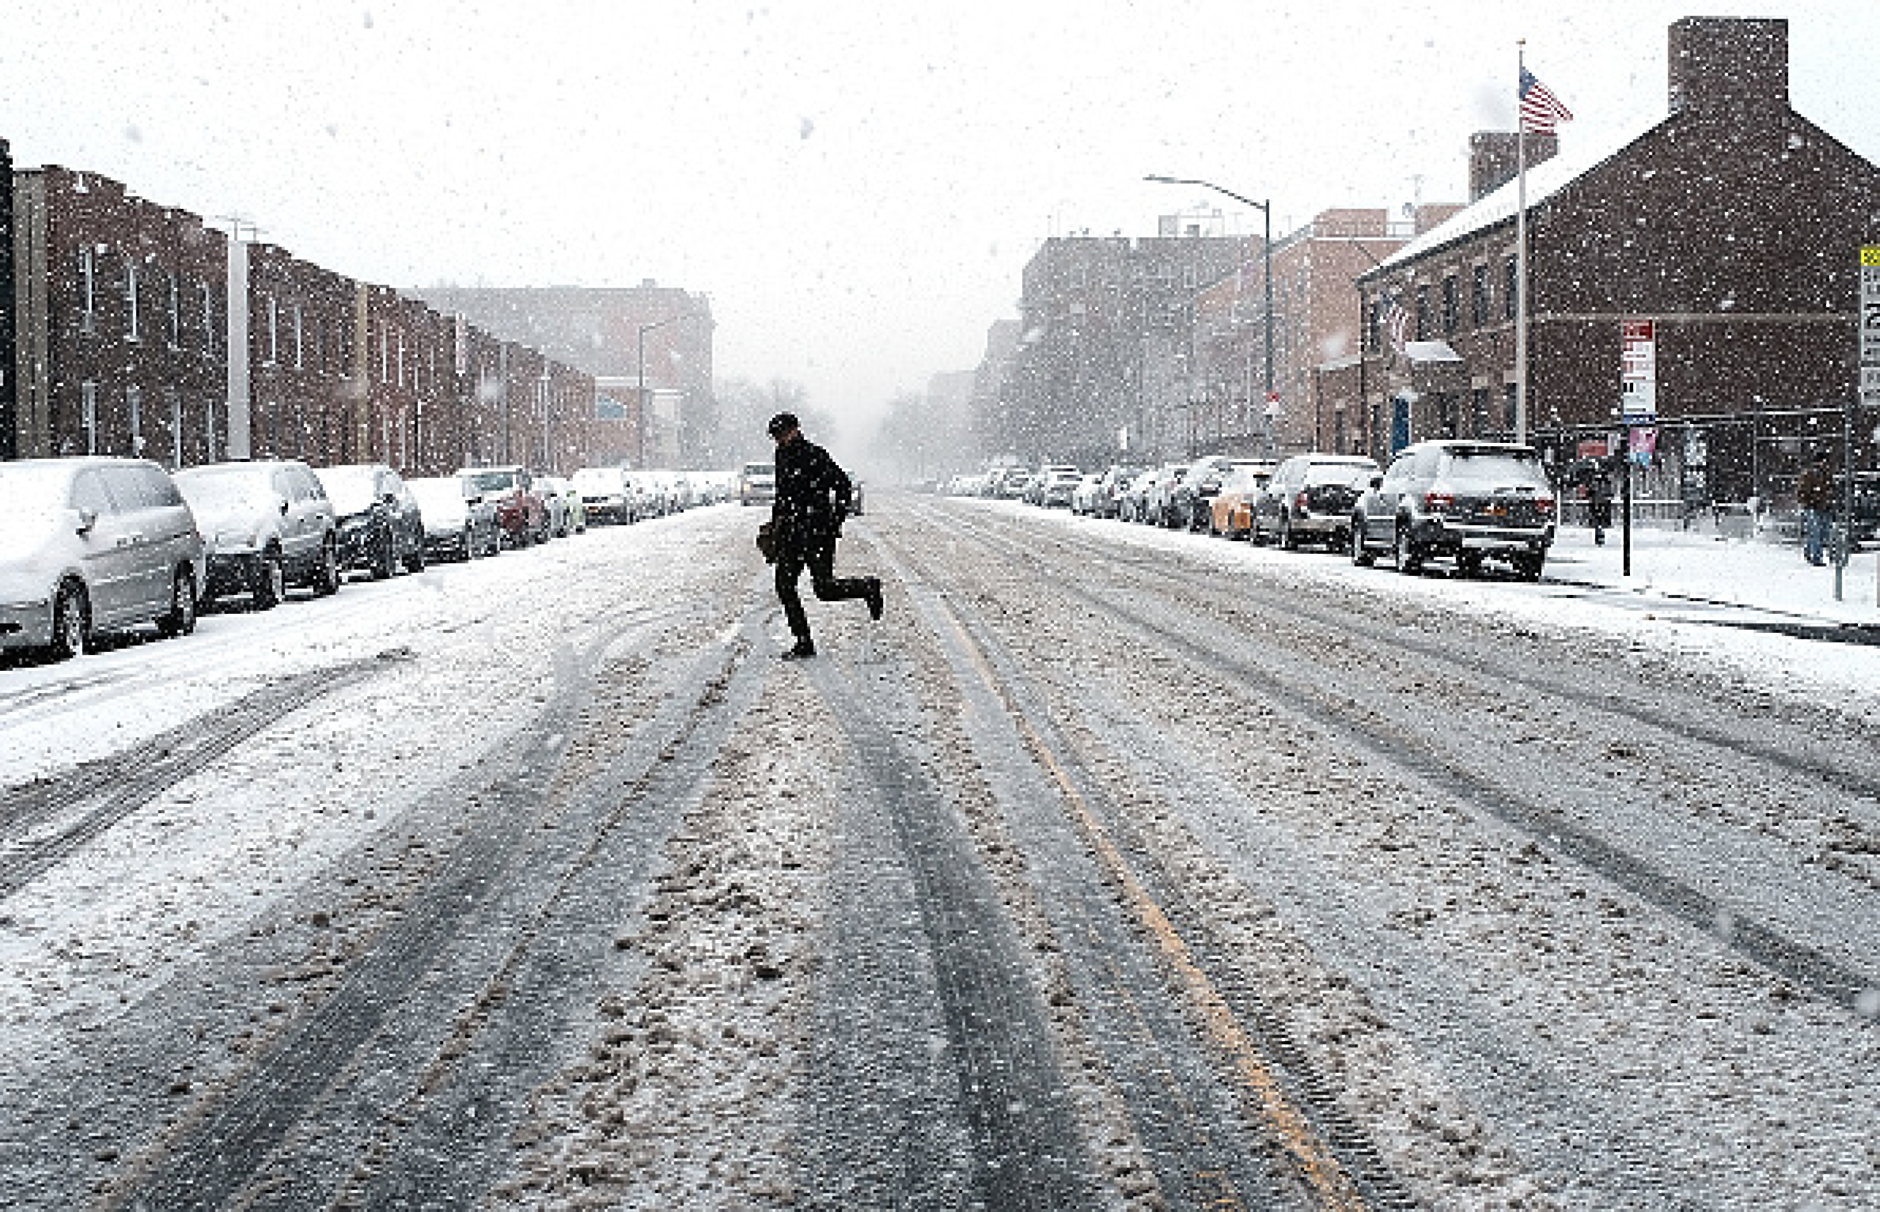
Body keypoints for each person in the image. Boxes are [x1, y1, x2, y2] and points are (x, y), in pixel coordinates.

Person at [765, 411, 883, 659]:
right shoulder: (780, 456)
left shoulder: (815, 455)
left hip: (817, 533)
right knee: (784, 586)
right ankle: (803, 641)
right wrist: (775, 524)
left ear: (796, 430)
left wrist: (834, 519)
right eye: (776, 436)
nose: (780, 439)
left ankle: (867, 587)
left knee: (824, 589)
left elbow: (843, 485)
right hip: (790, 533)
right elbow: (782, 494)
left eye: (783, 434)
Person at [1795, 449, 1835, 566]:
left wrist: (1830, 500)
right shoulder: (1809, 474)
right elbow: (1801, 492)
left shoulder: (1827, 474)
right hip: (1812, 507)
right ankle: (1816, 558)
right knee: (1816, 532)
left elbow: (1831, 489)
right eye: (1824, 461)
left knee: (1822, 533)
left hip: (1824, 507)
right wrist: (1808, 503)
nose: (1825, 463)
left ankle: (1809, 552)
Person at [1587, 459, 1614, 547]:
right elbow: (1609, 492)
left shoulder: (1596, 481)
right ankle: (1599, 534)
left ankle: (1599, 534)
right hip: (1601, 502)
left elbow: (1590, 492)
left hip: (1598, 502)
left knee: (1598, 520)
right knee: (1599, 520)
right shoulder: (1605, 481)